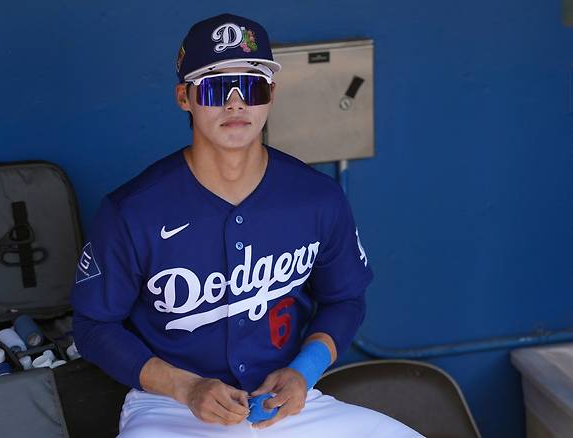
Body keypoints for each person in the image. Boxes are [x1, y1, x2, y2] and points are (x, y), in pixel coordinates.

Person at [71, 13, 423, 438]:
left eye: (252, 86)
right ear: (185, 97)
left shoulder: (316, 197)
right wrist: (185, 386)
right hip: (171, 406)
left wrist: (302, 373)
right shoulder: (132, 210)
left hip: (289, 400)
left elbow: (346, 300)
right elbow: (93, 327)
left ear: (270, 95)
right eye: (217, 87)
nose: (236, 103)